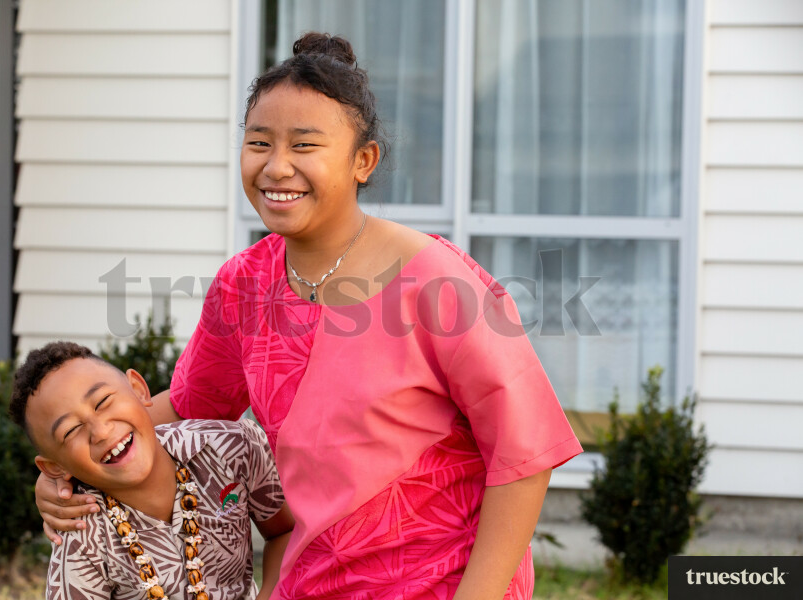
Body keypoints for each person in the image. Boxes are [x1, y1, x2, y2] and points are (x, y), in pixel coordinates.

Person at [36, 33, 583, 599]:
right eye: (258, 143)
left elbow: (524, 453)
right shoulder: (242, 285)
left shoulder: (440, 281)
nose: (276, 168)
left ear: (362, 161)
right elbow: (181, 412)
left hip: (443, 584)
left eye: (304, 146)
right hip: (312, 584)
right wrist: (64, 470)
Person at [11, 341, 293, 600]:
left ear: (138, 389)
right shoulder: (82, 536)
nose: (101, 431)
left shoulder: (232, 448)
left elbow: (284, 532)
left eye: (102, 402)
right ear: (54, 467)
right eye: (71, 430)